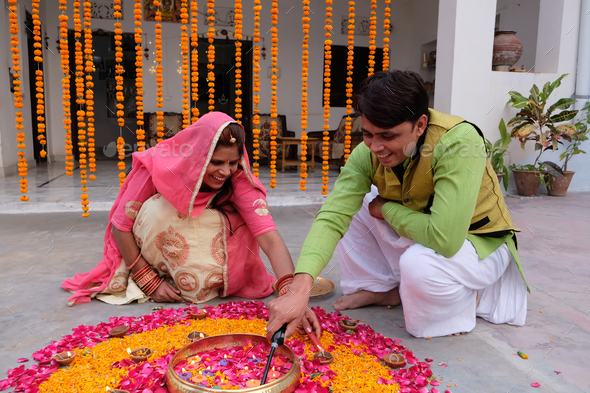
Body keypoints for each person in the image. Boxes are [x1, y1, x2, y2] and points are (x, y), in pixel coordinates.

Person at [267, 71, 528, 339]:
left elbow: (445, 239)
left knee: (418, 265)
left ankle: (467, 300)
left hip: (478, 244)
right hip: (423, 233)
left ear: (420, 124)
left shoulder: (458, 142)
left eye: (388, 136)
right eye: (368, 134)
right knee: (357, 205)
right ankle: (383, 289)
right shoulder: (366, 153)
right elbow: (333, 216)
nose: (376, 147)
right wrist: (299, 289)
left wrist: (387, 210)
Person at [62, 112, 319, 337]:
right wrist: (147, 279)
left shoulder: (238, 177)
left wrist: (290, 294)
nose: (225, 171)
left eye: (232, 162)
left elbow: (269, 237)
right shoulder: (160, 167)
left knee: (222, 217)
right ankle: (165, 276)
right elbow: (120, 226)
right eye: (216, 162)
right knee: (158, 209)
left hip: (216, 276)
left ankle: (201, 284)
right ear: (197, 155)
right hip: (157, 265)